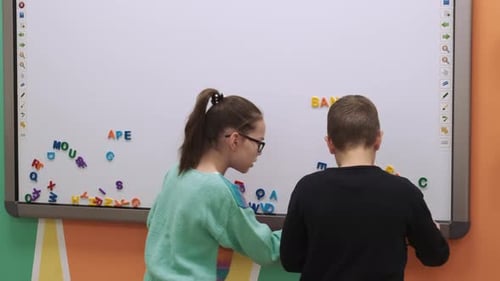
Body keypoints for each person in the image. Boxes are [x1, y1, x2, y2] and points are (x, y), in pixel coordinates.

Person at [280, 95, 449, 281]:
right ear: (378, 139)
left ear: (329, 143)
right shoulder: (404, 192)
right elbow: (435, 256)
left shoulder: (307, 189)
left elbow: (290, 261)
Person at [144, 88, 281, 281]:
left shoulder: (176, 173)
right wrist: (299, 229)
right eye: (259, 143)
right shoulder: (219, 191)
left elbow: (153, 222)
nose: (258, 153)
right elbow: (265, 250)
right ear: (235, 140)